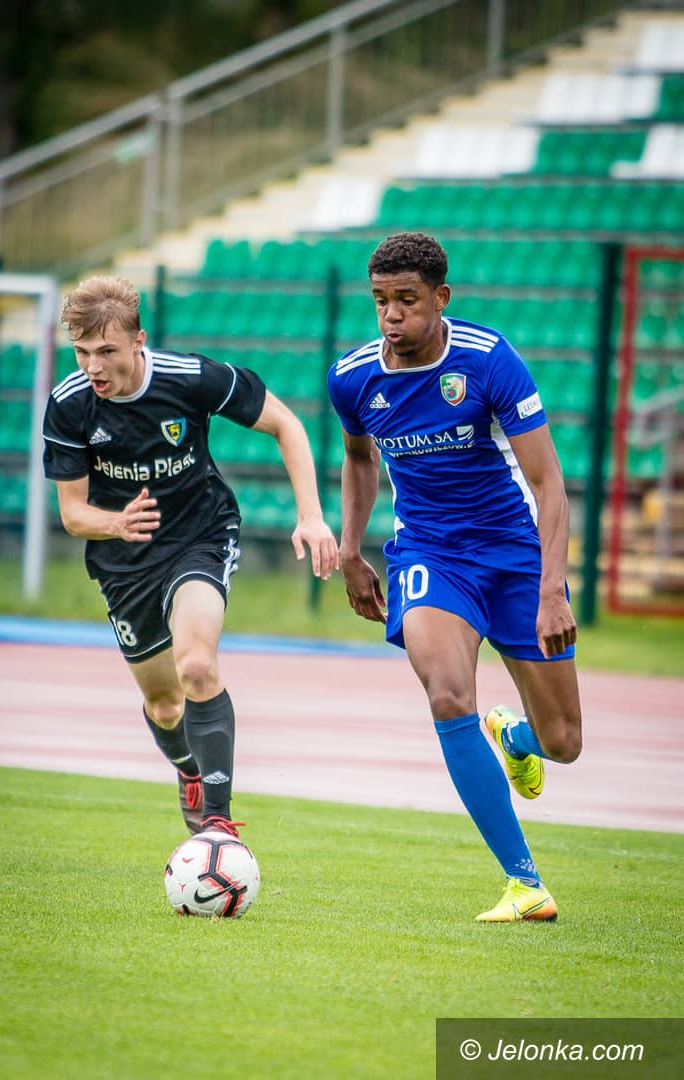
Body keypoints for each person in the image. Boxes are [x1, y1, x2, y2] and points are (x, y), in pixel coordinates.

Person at [327, 232, 582, 922]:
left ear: (440, 297)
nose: (391, 315)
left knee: (563, 743)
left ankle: (516, 738)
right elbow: (359, 460)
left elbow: (548, 483)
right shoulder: (352, 377)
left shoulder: (488, 359)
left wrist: (550, 590)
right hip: (430, 556)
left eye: (406, 300)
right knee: (446, 694)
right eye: (380, 300)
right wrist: (351, 550)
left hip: (515, 556)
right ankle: (524, 884)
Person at [43, 274, 338, 838]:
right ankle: (187, 768)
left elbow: (286, 424)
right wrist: (116, 523)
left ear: (139, 340)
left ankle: (218, 825)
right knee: (164, 705)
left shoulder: (191, 378)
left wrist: (311, 515)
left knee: (197, 666)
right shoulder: (70, 405)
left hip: (200, 536)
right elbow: (73, 514)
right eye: (81, 352)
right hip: (124, 562)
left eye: (106, 351)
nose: (93, 366)